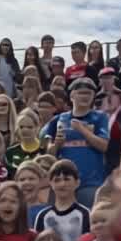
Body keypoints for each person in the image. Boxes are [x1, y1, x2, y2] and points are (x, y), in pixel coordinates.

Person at [43, 78, 110, 206]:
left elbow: (104, 146)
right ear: (72, 95)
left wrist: (82, 130)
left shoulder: (100, 117)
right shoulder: (58, 119)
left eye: (89, 93)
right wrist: (57, 145)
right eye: (81, 93)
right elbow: (49, 153)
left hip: (90, 183)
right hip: (62, 182)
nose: (85, 96)